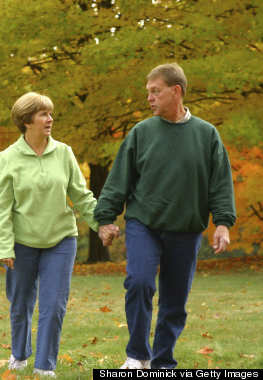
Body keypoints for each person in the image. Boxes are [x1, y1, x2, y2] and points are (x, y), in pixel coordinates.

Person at [94, 63, 236, 369]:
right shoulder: (141, 133)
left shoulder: (206, 134)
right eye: (148, 92)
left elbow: (220, 184)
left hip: (186, 228)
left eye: (155, 91)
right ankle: (137, 355)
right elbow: (118, 180)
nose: (149, 98)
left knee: (174, 302)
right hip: (143, 223)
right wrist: (105, 219)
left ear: (176, 92)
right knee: (140, 282)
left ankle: (162, 363)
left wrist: (223, 223)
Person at [0, 92, 117, 377]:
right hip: (22, 242)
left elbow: (82, 196)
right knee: (21, 303)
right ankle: (20, 354)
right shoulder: (8, 158)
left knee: (54, 304)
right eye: (43, 114)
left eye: (50, 113)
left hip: (61, 238)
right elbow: (1, 208)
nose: (50, 119)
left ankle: (44, 366)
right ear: (26, 121)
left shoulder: (63, 152)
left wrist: (102, 224)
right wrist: (4, 248)